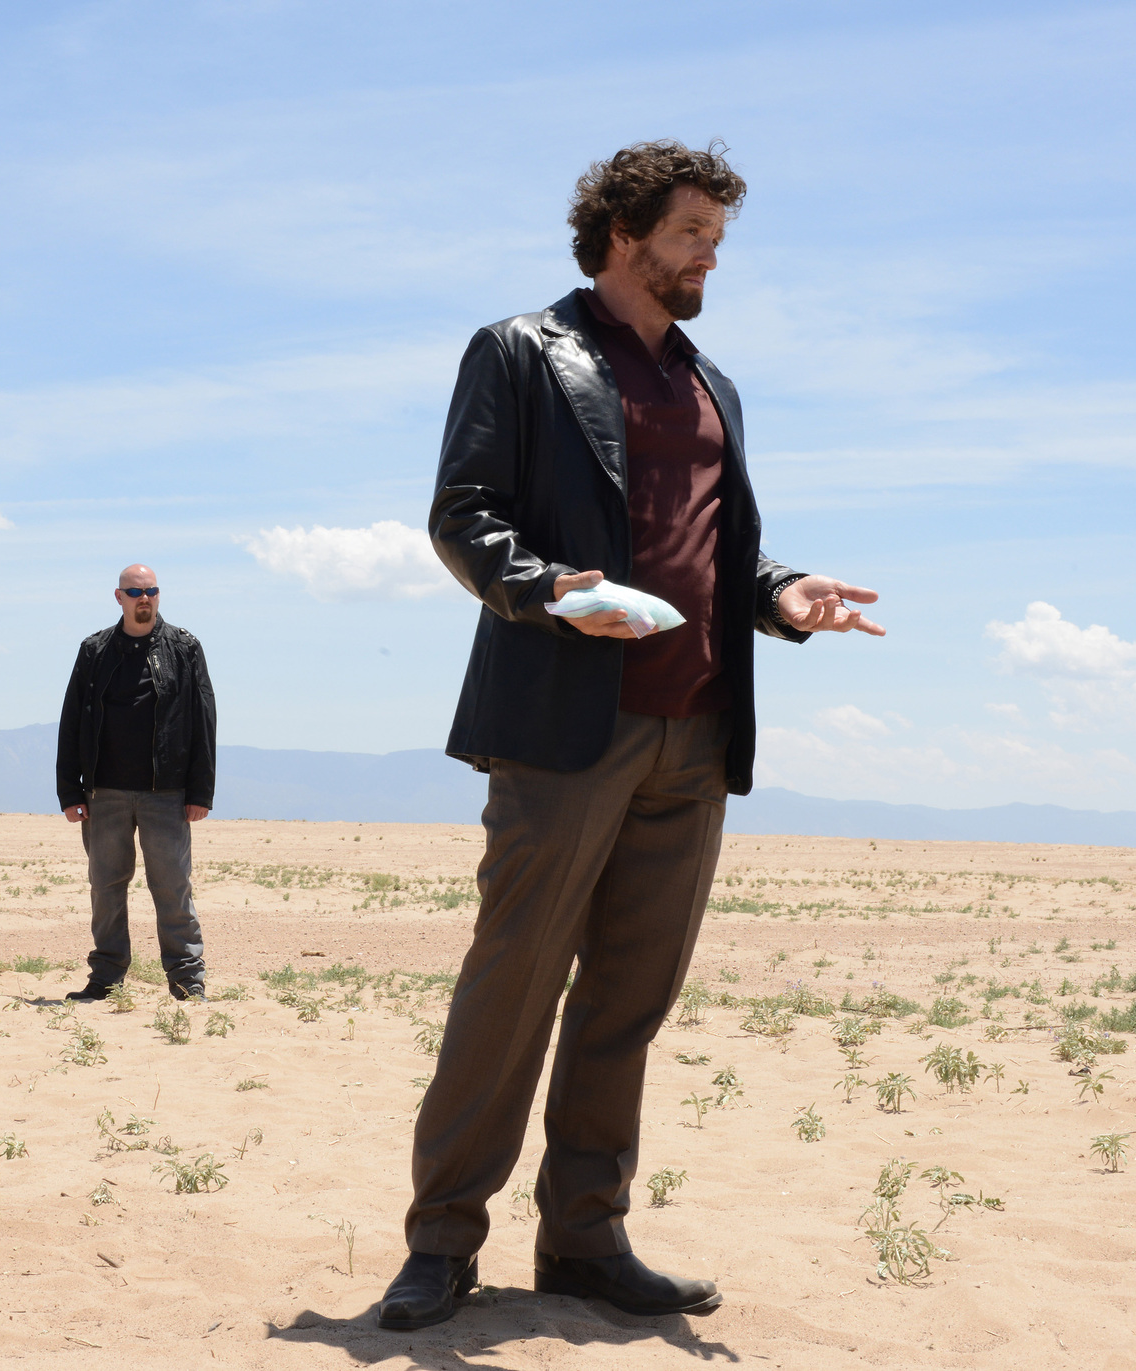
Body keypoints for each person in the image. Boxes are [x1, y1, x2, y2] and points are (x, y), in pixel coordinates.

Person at [378, 141, 885, 1331]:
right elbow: (463, 518)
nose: (711, 253)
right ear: (623, 235)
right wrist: (554, 589)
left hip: (695, 731)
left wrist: (778, 592)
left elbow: (708, 548)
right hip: (565, 728)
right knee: (510, 989)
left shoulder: (712, 384)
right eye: (693, 232)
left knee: (626, 1001)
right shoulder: (519, 350)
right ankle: (441, 1241)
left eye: (717, 234)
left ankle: (586, 1241)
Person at [55, 563, 217, 1003]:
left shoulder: (184, 647)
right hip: (103, 793)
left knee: (172, 886)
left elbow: (203, 719)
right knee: (106, 887)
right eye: (135, 591)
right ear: (119, 597)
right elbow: (71, 719)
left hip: (166, 793)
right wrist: (70, 790)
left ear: (159, 595)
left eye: (151, 591)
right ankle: (105, 978)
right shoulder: (95, 650)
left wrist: (200, 792)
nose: (144, 598)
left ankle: (187, 980)